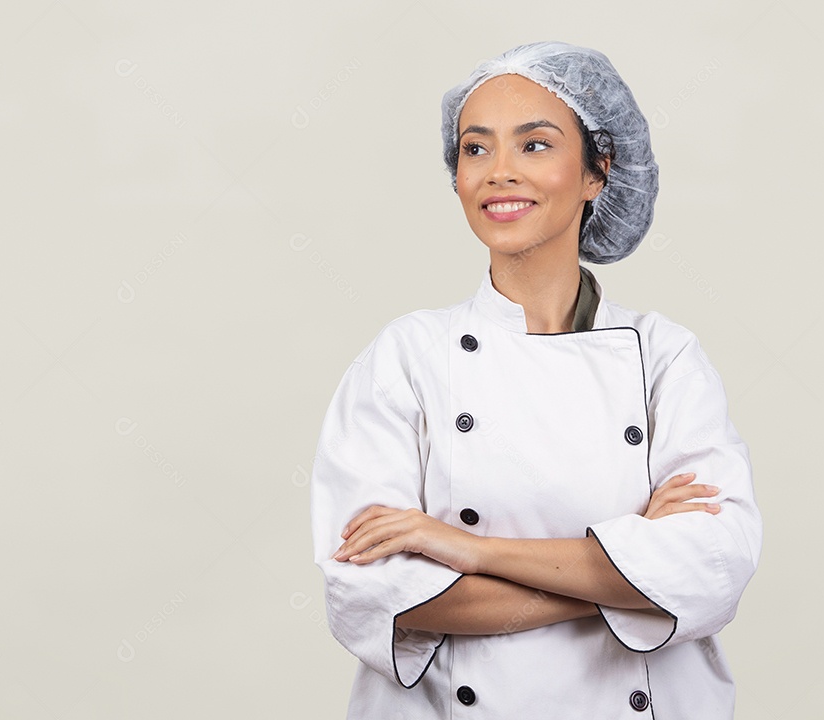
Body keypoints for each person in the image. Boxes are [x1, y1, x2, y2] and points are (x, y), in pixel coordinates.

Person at [309, 40, 763, 719]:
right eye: (476, 148)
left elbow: (713, 567)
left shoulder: (666, 357)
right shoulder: (405, 358)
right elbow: (375, 594)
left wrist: (470, 550)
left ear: (598, 172)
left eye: (535, 145)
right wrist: (631, 576)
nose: (499, 172)